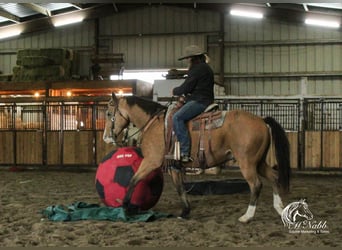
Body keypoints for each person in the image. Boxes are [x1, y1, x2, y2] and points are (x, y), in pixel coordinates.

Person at [172, 45, 215, 162]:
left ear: (193, 58)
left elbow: (187, 87)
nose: (187, 61)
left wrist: (176, 91)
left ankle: (184, 151)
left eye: (188, 58)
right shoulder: (206, 68)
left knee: (177, 118)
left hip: (200, 101)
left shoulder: (197, 69)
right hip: (205, 99)